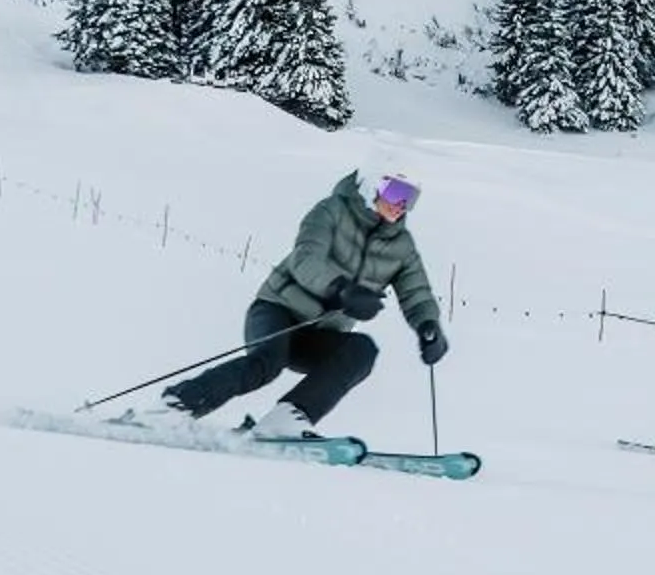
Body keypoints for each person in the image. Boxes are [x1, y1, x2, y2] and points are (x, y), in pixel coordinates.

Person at [166, 171, 448, 438]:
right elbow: (306, 258)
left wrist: (428, 326)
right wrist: (341, 291)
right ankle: (176, 406)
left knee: (361, 350)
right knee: (265, 364)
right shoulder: (332, 211)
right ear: (372, 184)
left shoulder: (401, 245)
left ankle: (287, 419)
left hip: (319, 332)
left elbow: (416, 293)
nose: (401, 204)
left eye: (410, 198)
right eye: (396, 191)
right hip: (278, 310)